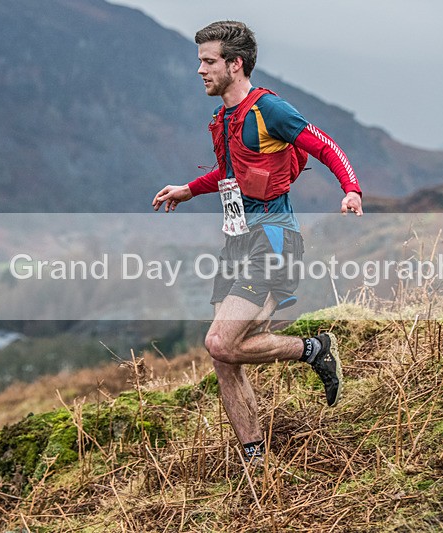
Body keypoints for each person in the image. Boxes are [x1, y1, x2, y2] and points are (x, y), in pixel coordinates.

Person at [152, 20, 363, 464]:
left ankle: (314, 349)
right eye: (200, 62)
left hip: (273, 241)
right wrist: (188, 189)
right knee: (224, 358)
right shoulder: (226, 117)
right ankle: (256, 461)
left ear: (235, 64)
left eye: (208, 62)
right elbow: (234, 173)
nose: (200, 70)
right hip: (237, 243)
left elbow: (325, 145)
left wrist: (351, 190)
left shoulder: (270, 110)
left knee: (220, 342)